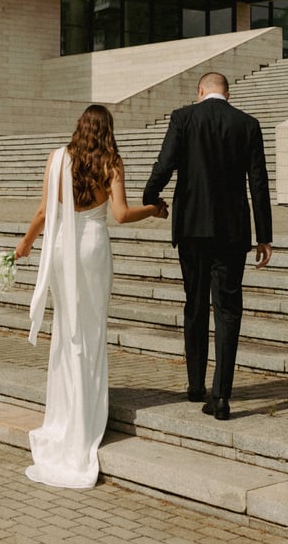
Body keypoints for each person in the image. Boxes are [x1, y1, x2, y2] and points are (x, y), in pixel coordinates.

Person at [15, 104, 167, 489]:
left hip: (62, 248)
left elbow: (43, 212)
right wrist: (153, 210)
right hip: (93, 247)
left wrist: (26, 243)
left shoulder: (56, 159)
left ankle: (66, 413)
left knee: (67, 329)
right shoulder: (111, 162)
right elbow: (121, 214)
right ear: (107, 130)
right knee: (92, 331)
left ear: (80, 126)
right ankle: (86, 415)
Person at [142, 72, 272, 421]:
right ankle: (222, 396)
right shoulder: (248, 124)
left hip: (192, 227)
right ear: (227, 93)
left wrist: (150, 197)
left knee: (195, 303)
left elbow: (165, 162)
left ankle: (195, 385)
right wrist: (264, 235)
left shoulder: (184, 117)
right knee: (228, 310)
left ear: (200, 91)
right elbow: (258, 182)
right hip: (232, 231)